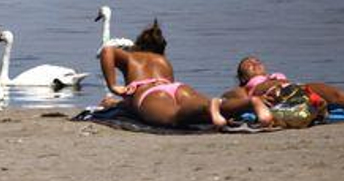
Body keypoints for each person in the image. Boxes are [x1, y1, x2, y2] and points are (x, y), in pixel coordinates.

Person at [99, 20, 269, 128]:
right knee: (206, 109)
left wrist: (114, 87)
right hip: (178, 88)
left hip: (149, 93)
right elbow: (170, 94)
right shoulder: (164, 62)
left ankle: (210, 106)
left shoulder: (131, 57)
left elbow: (107, 51)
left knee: (174, 117)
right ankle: (248, 103)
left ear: (138, 45)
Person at [213, 56, 344, 124]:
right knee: (304, 100)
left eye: (257, 61)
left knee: (339, 96)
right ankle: (315, 109)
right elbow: (229, 101)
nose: (253, 62)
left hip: (299, 88)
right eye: (248, 64)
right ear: (243, 77)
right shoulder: (245, 88)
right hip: (278, 96)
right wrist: (253, 101)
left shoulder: (274, 76)